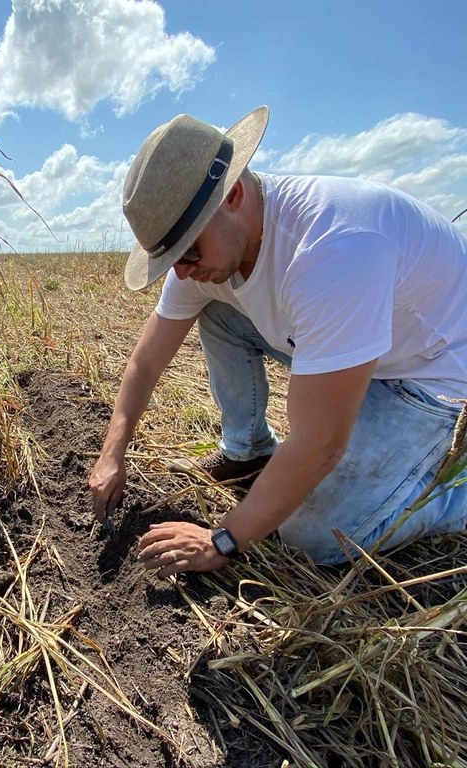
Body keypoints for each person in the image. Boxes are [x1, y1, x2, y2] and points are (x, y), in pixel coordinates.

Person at [89, 105, 467, 577]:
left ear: (232, 197)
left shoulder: (332, 250)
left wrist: (222, 539)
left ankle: (453, 490)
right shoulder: (209, 252)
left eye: (188, 250)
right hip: (368, 346)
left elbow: (321, 443)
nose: (181, 271)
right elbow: (145, 364)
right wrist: (111, 454)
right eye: (170, 258)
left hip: (434, 373)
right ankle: (247, 451)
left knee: (313, 537)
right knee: (219, 313)